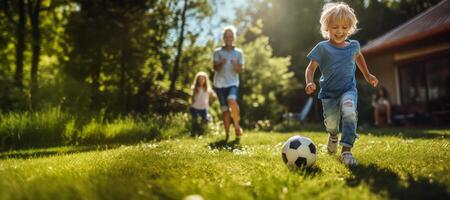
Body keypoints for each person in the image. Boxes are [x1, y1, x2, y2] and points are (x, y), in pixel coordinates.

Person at [304, 2, 378, 166]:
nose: (340, 31)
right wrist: (309, 82)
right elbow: (310, 69)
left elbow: (359, 56)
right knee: (331, 124)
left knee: (349, 112)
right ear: (327, 27)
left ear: (350, 28)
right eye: (335, 27)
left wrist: (367, 74)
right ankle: (333, 136)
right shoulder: (322, 48)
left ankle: (346, 151)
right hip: (329, 94)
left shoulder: (353, 46)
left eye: (344, 27)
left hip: (348, 90)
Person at [213, 25, 244, 142]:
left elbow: (241, 69)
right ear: (223, 38)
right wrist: (221, 62)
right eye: (226, 36)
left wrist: (236, 65)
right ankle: (227, 134)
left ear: (233, 38)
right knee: (225, 110)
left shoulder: (238, 53)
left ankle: (236, 125)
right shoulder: (218, 52)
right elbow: (214, 67)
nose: (228, 38)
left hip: (232, 83)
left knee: (232, 100)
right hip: (219, 84)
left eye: (230, 36)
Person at [190, 71, 216, 136]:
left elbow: (214, 96)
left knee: (205, 120)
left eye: (203, 79)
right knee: (194, 120)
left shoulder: (208, 89)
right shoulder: (194, 88)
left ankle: (202, 132)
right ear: (197, 80)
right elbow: (192, 97)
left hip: (204, 108)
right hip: (195, 107)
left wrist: (210, 101)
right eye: (199, 79)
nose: (201, 80)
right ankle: (193, 132)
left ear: (205, 80)